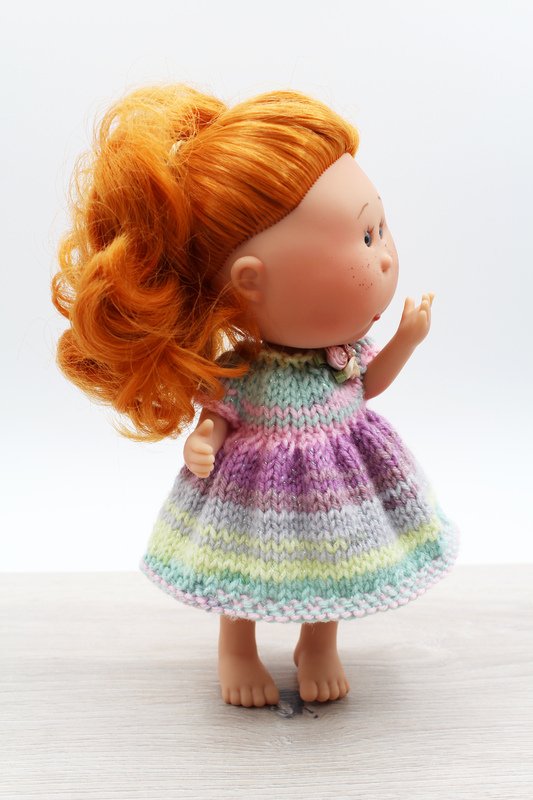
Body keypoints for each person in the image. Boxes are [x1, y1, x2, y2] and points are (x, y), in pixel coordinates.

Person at [51, 83, 460, 709]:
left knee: (333, 568)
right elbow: (219, 410)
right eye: (364, 238)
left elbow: (367, 388)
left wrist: (406, 339)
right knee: (237, 569)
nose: (385, 258)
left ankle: (318, 644)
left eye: (381, 229)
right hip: (251, 491)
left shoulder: (343, 357)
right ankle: (236, 648)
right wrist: (203, 438)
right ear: (251, 282)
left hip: (338, 489)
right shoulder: (242, 368)